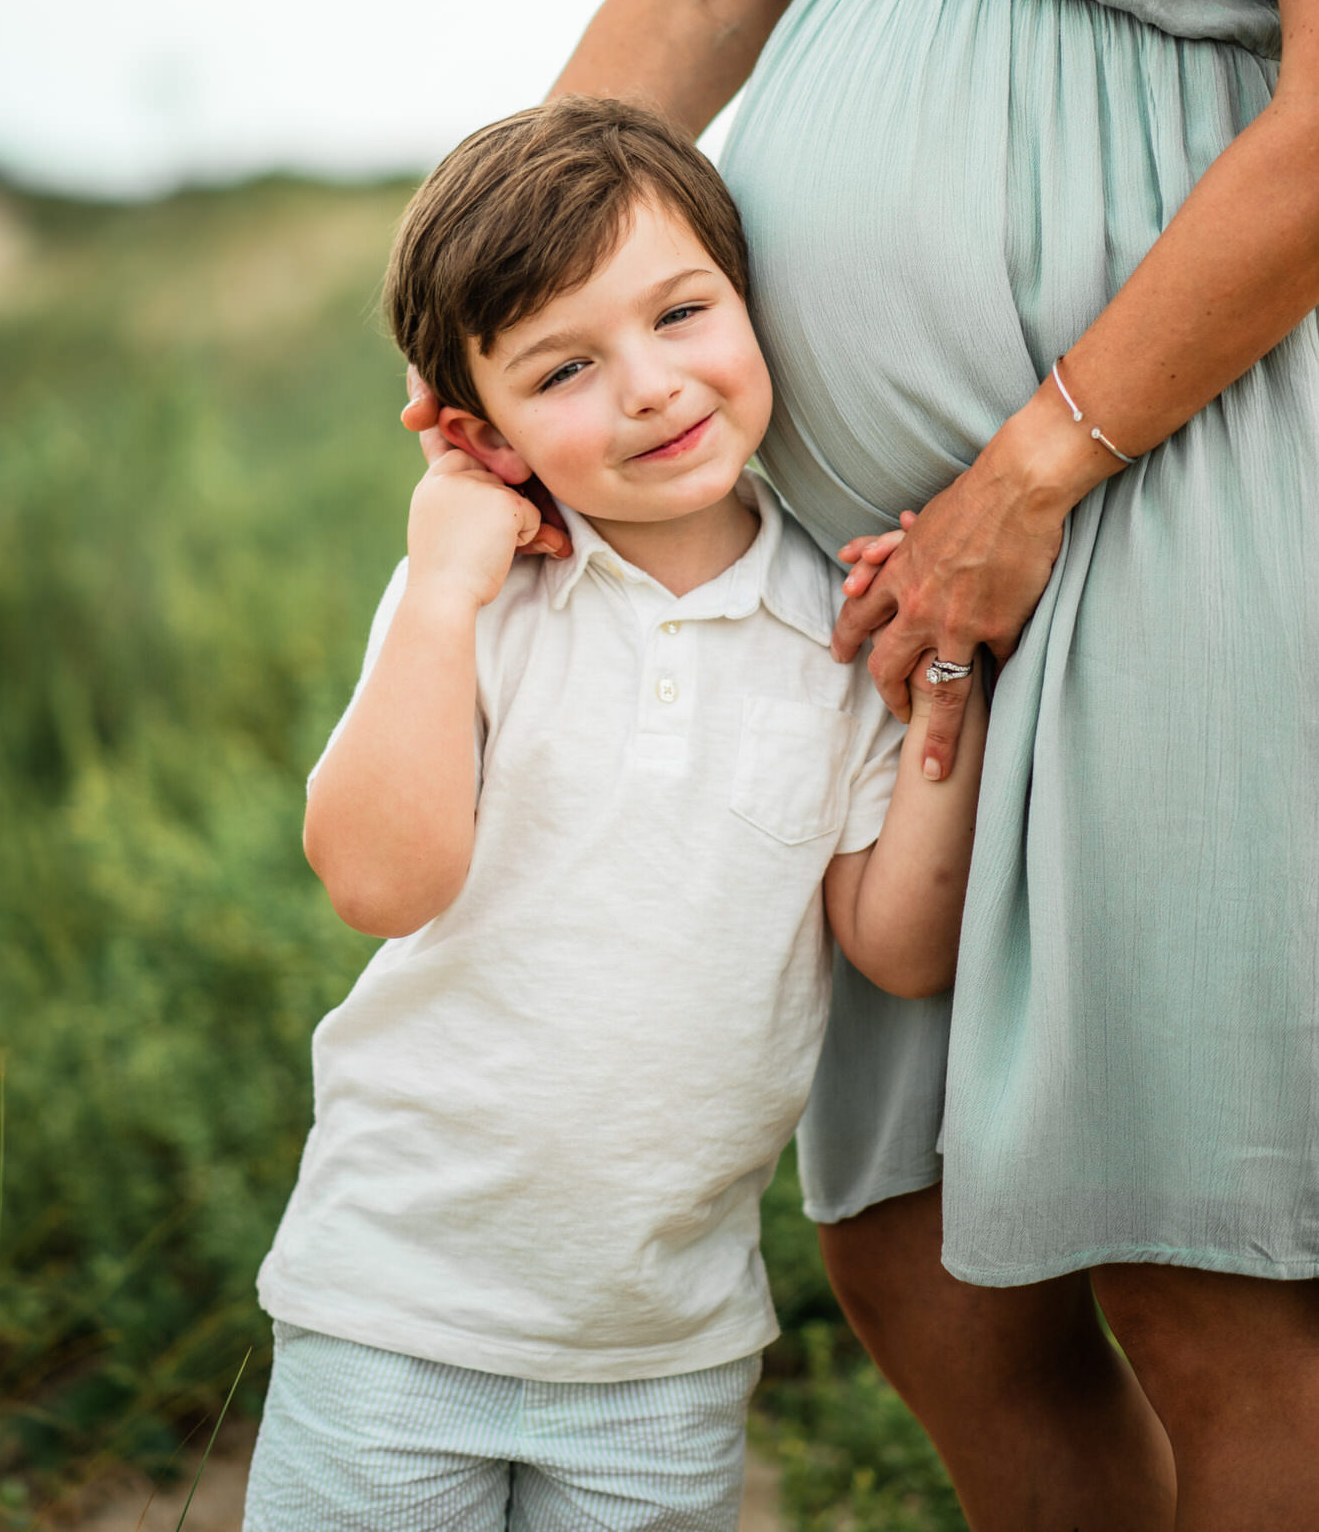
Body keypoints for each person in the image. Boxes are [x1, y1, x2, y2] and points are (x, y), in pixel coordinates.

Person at [404, 0, 1319, 1524]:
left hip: (1173, 495)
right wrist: (485, 328)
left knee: (1206, 1276)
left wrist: (1030, 472)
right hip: (882, 558)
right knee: (914, 1252)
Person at [245, 98, 988, 1532]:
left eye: (681, 312)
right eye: (564, 367)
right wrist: (447, 585)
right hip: (396, 1304)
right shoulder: (477, 603)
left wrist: (941, 691)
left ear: (747, 298)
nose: (649, 387)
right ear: (478, 431)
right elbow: (377, 883)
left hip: (663, 1346)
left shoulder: (833, 625)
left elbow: (898, 947)